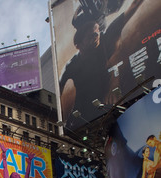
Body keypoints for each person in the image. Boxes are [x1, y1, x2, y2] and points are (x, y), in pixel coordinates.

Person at [59, 0, 144, 128]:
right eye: (91, 36)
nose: (96, 37)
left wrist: (114, 81)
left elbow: (134, 5)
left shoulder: (107, 38)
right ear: (79, 44)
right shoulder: (72, 66)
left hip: (121, 103)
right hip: (91, 118)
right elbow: (60, 96)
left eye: (97, 32)